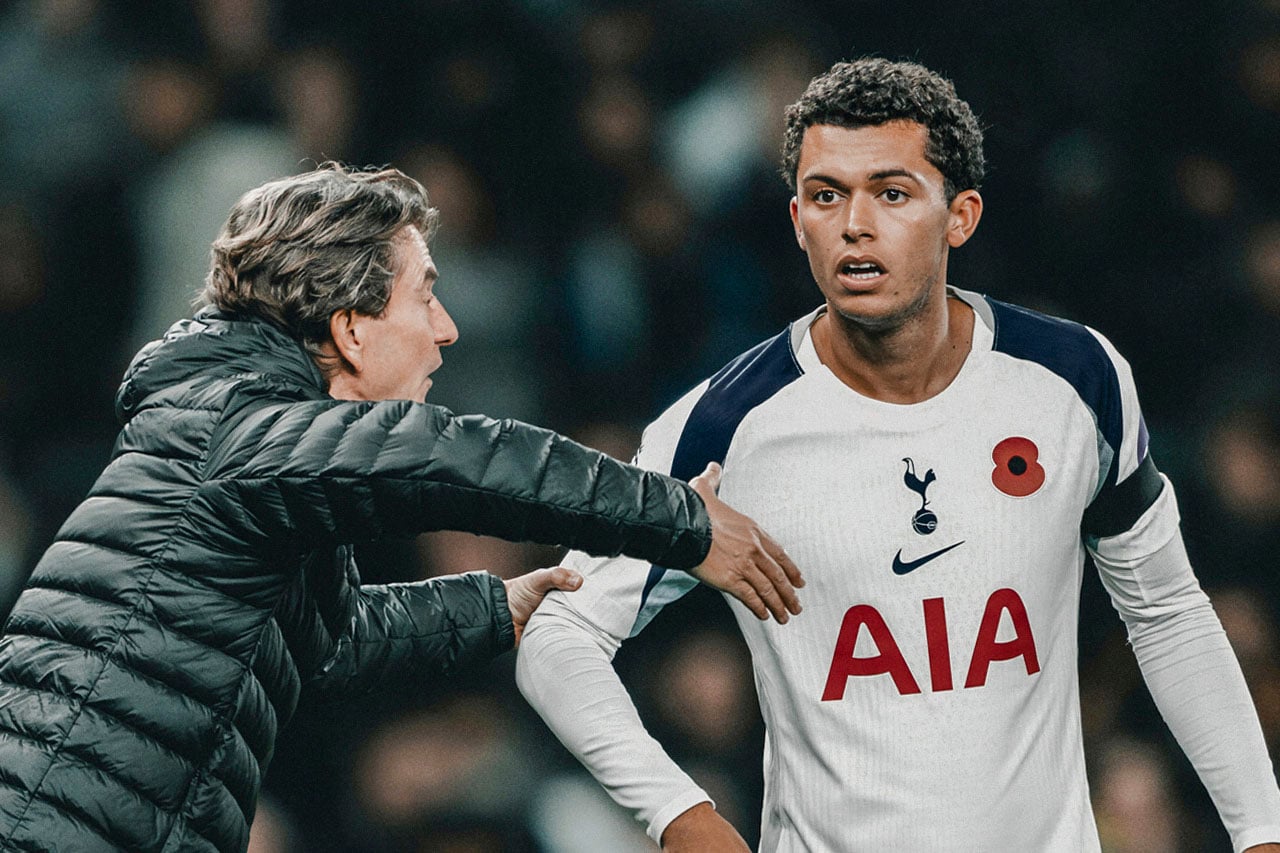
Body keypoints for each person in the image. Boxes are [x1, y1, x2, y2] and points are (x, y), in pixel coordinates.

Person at [517, 58, 1280, 852]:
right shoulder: (720, 426)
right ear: (797, 220)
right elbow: (558, 634)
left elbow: (1167, 611)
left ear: (960, 215)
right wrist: (681, 814)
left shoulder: (1075, 379)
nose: (854, 223)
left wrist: (1262, 829)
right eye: (826, 195)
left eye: (890, 193)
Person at [0, 164, 804, 853]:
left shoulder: (243, 445)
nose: (446, 330)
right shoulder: (244, 428)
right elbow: (458, 457)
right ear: (352, 330)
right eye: (425, 296)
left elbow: (324, 639)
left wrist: (495, 605)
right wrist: (679, 519)